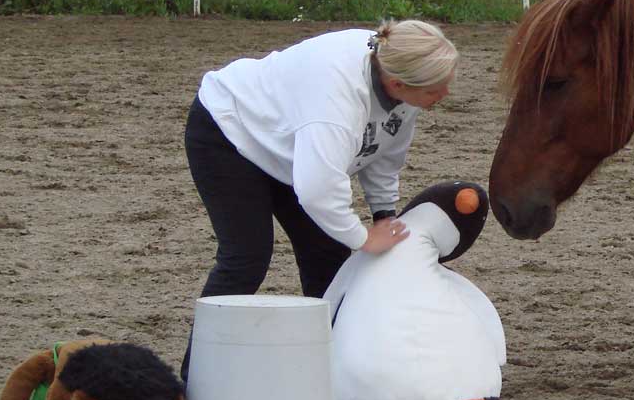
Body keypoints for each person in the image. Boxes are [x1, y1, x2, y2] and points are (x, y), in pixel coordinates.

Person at [181, 19, 458, 377]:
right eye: (438, 88)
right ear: (398, 83)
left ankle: (336, 376)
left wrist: (383, 213)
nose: (446, 94)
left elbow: (382, 152)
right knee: (247, 255)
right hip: (230, 131)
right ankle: (193, 383)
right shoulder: (335, 101)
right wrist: (362, 237)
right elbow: (317, 190)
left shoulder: (400, 74)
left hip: (292, 143)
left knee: (328, 256)